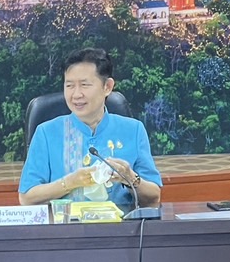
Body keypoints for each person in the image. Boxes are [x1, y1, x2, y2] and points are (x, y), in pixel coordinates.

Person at [19, 48, 163, 210]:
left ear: (107, 87)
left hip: (121, 224)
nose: (76, 94)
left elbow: (154, 197)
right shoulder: (46, 133)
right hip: (64, 225)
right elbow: (26, 198)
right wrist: (70, 182)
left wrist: (130, 178)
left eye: (85, 85)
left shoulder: (133, 130)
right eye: (69, 85)